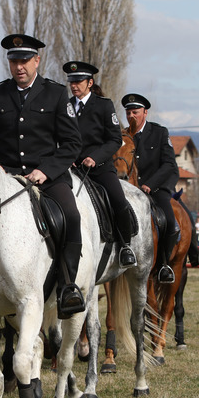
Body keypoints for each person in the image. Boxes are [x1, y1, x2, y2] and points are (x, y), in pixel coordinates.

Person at [0, 33, 85, 318]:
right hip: (4, 179)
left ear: (37, 61)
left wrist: (45, 171)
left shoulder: (56, 93)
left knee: (71, 217)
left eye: (24, 60)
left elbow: (72, 144)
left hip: (47, 178)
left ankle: (68, 286)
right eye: (13, 61)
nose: (19, 67)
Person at [122, 93, 199, 282]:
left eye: (135, 112)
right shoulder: (122, 136)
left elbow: (169, 165)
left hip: (155, 189)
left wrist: (150, 185)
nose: (131, 116)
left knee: (170, 220)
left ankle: (164, 265)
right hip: (129, 190)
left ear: (145, 113)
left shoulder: (159, 133)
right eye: (128, 112)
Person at [64, 60, 137, 268]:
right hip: (71, 168)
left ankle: (125, 246)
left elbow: (115, 139)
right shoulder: (66, 106)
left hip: (99, 168)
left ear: (90, 83)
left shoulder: (104, 105)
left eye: (78, 81)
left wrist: (95, 158)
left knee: (118, 200)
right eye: (71, 81)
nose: (74, 85)